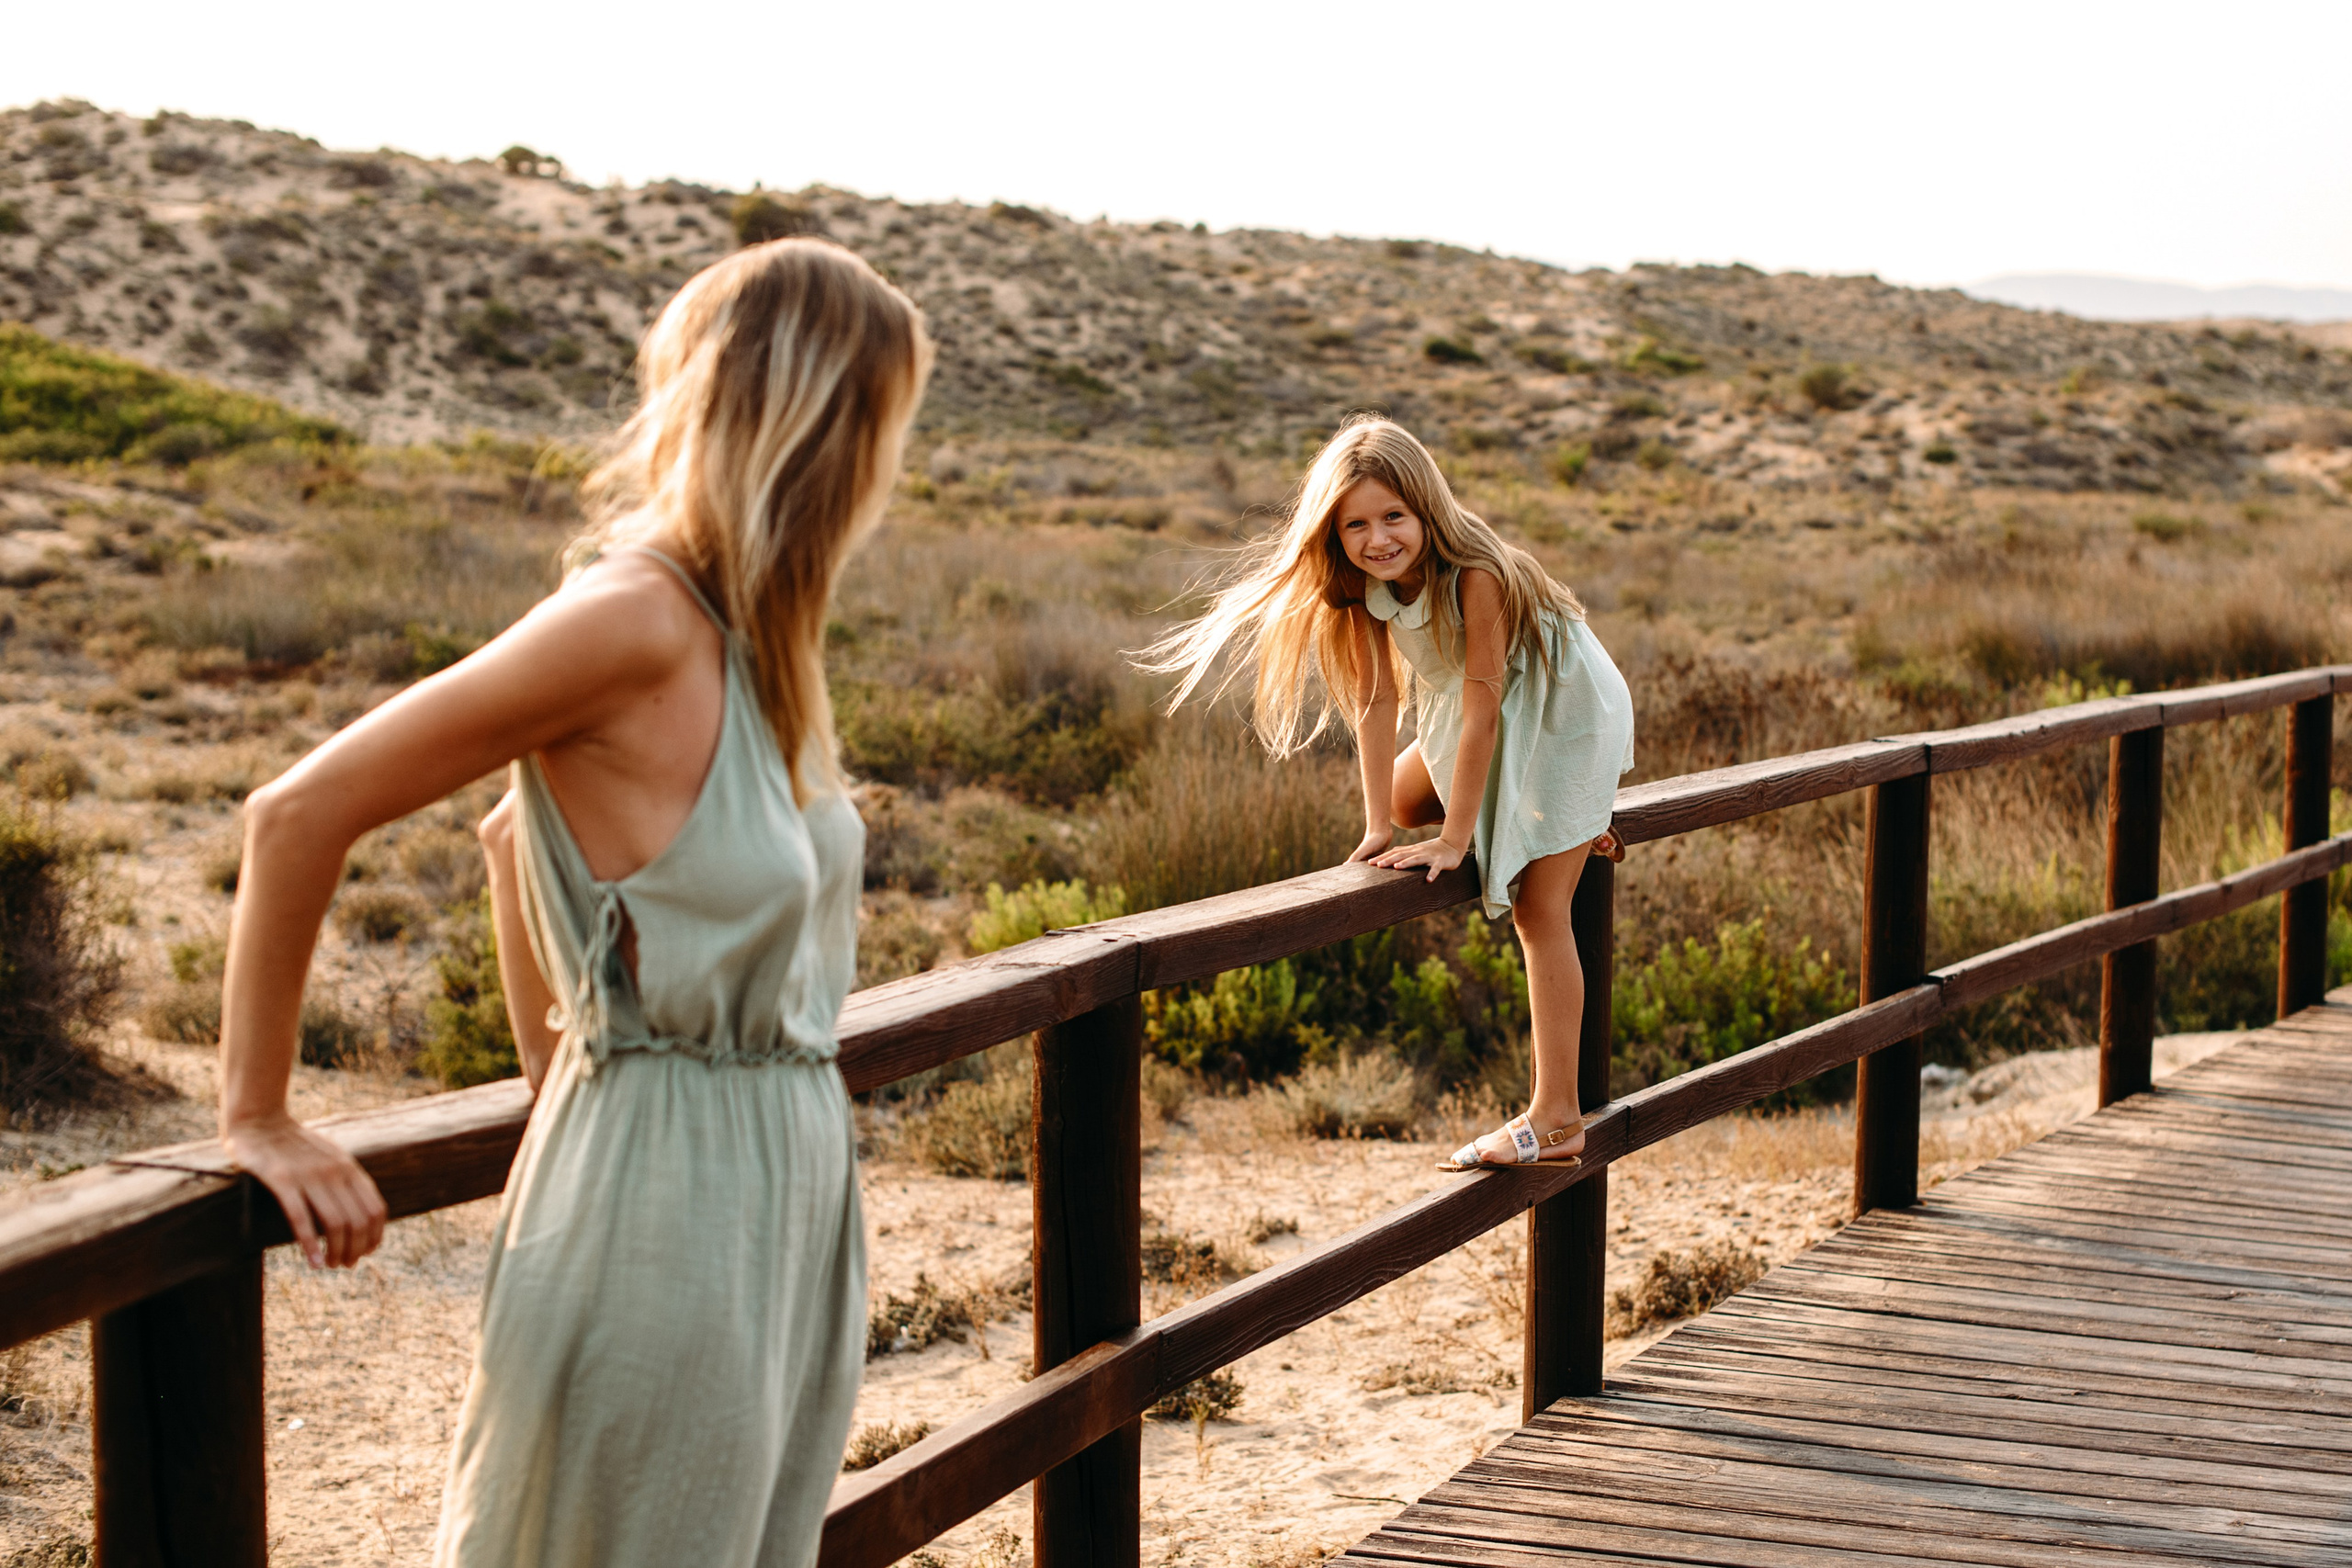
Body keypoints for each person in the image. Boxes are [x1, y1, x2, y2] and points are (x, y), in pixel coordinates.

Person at [215, 238, 932, 1566]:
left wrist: (557, 1059)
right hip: (671, 1192)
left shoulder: (752, 633)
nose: (885, 468)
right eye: (881, 420)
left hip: (775, 1186)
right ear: (816, 419)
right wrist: (259, 1113)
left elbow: (508, 837)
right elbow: (296, 811)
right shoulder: (633, 616)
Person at [1143, 416, 1633, 1170]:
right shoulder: (1362, 589)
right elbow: (1374, 703)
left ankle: (1557, 1115)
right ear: (1334, 532)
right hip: (1485, 711)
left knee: (1540, 908)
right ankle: (1561, 824)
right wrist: (1377, 824)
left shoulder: (1477, 574)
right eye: (1357, 524)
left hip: (1561, 711)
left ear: (1426, 509)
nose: (1378, 539)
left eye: (1394, 517)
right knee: (1409, 802)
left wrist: (1458, 840)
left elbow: (1482, 709)